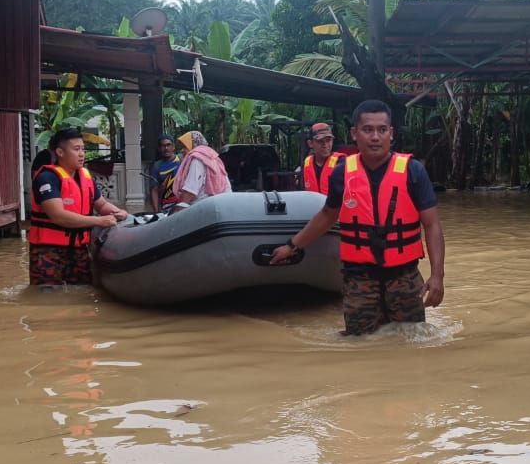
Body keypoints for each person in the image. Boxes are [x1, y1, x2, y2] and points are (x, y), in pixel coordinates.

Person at [271, 100, 445, 335]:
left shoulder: (413, 171)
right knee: (358, 341)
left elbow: (432, 225)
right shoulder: (342, 173)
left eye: (382, 130)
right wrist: (291, 246)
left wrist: (437, 276)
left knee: (412, 339)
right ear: (355, 133)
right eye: (367, 130)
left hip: (404, 275)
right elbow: (327, 216)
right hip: (359, 277)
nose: (375, 137)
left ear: (391, 133)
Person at [28, 127, 128, 285]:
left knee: (83, 292)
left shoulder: (85, 177)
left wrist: (118, 212)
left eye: (82, 149)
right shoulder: (47, 178)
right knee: (46, 296)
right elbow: (58, 216)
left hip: (79, 249)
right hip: (48, 251)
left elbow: (101, 204)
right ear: (60, 152)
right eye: (76, 149)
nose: (82, 154)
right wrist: (99, 221)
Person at [172, 130, 230, 207]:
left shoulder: (197, 159)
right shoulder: (212, 156)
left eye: (184, 147)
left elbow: (190, 191)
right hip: (223, 203)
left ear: (193, 144)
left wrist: (176, 211)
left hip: (204, 208)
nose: (182, 151)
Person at [299, 122, 340, 195]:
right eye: (320, 141)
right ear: (310, 143)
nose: (325, 145)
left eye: (328, 140)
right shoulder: (306, 164)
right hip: (312, 204)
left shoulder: (341, 163)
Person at [148, 133, 182, 211]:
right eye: (163, 146)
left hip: (183, 204)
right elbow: (154, 190)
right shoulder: (156, 166)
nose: (166, 148)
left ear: (173, 147)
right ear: (159, 148)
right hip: (166, 206)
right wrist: (156, 211)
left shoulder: (182, 160)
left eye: (168, 145)